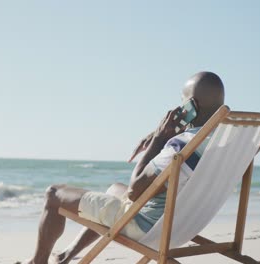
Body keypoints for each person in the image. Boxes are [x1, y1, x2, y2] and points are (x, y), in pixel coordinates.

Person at [22, 71, 225, 264]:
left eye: (182, 101)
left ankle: (37, 262)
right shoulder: (225, 141)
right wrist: (161, 134)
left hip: (148, 226)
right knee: (114, 189)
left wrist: (158, 139)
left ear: (192, 105)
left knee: (53, 194)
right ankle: (67, 255)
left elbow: (135, 191)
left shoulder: (182, 146)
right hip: (183, 226)